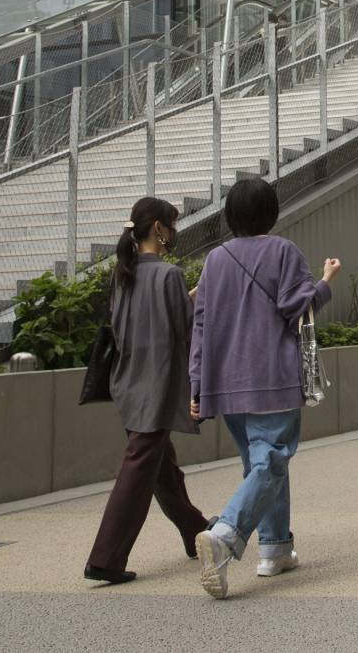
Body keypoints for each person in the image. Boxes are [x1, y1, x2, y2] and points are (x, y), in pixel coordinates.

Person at [189, 178, 341, 598]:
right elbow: (297, 308)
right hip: (270, 376)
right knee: (271, 460)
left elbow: (200, 326)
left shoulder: (215, 259)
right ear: (271, 213)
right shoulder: (282, 251)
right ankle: (226, 534)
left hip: (226, 381)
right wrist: (326, 281)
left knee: (262, 465)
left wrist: (198, 385)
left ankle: (275, 548)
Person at [85, 196, 212, 585]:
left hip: (127, 383)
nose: (174, 232)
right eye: (172, 225)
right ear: (158, 228)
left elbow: (138, 321)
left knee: (161, 469)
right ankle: (105, 558)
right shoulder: (168, 275)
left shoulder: (123, 274)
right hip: (157, 387)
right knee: (140, 468)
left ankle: (196, 529)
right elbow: (185, 330)